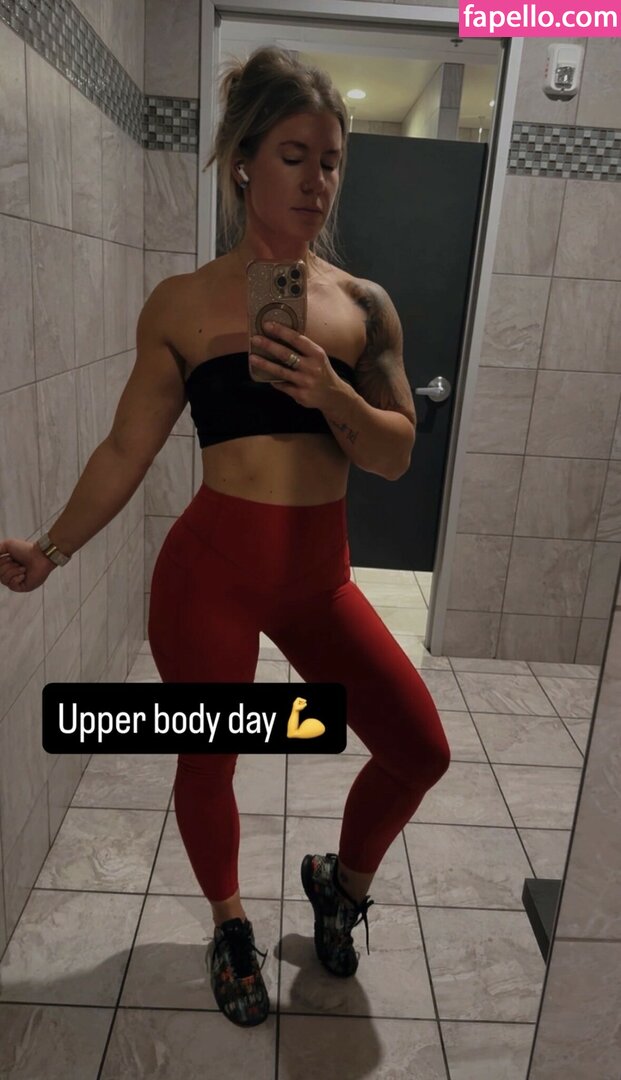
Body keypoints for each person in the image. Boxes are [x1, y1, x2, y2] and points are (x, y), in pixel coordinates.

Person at [0, 46, 450, 1030]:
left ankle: (341, 884)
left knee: (420, 749)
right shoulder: (181, 304)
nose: (316, 180)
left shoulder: (364, 306)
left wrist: (329, 394)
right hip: (210, 577)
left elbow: (394, 455)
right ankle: (230, 922)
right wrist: (51, 549)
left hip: (318, 581)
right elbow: (126, 447)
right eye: (294, 156)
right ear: (243, 162)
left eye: (331, 161)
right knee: (209, 759)